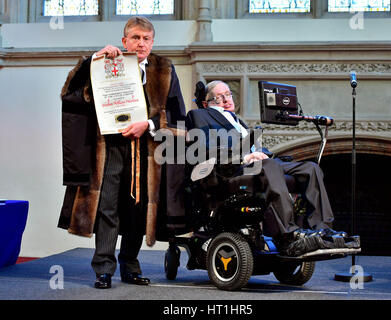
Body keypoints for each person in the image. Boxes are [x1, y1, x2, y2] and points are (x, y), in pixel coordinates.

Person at [58, 17, 186, 288]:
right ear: (124, 40)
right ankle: (103, 268)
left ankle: (130, 265)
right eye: (136, 38)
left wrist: (148, 124)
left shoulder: (164, 69)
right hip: (109, 147)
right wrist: (92, 59)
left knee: (137, 209)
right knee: (107, 206)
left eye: (146, 38)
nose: (141, 43)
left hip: (147, 149)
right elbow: (70, 95)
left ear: (152, 42)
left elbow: (177, 115)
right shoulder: (104, 63)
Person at [186, 80, 354, 257]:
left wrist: (262, 154)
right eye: (219, 98)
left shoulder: (237, 121)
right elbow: (205, 151)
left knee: (310, 169)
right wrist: (245, 157)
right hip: (227, 172)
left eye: (228, 94)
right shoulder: (199, 116)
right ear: (206, 103)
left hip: (258, 165)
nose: (227, 100)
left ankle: (323, 230)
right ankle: (289, 234)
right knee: (268, 165)